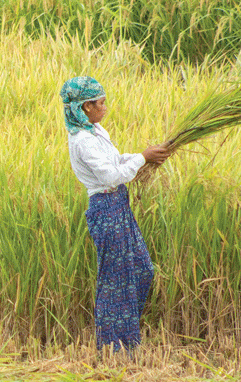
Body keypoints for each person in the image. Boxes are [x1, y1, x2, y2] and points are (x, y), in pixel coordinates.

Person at [60, 76, 170, 352]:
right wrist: (142, 158)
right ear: (86, 107)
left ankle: (125, 338)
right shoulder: (83, 140)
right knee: (114, 279)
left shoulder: (96, 131)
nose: (105, 107)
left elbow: (116, 162)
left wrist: (146, 156)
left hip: (120, 205)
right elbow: (110, 177)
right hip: (105, 208)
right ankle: (114, 348)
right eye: (101, 103)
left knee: (143, 270)